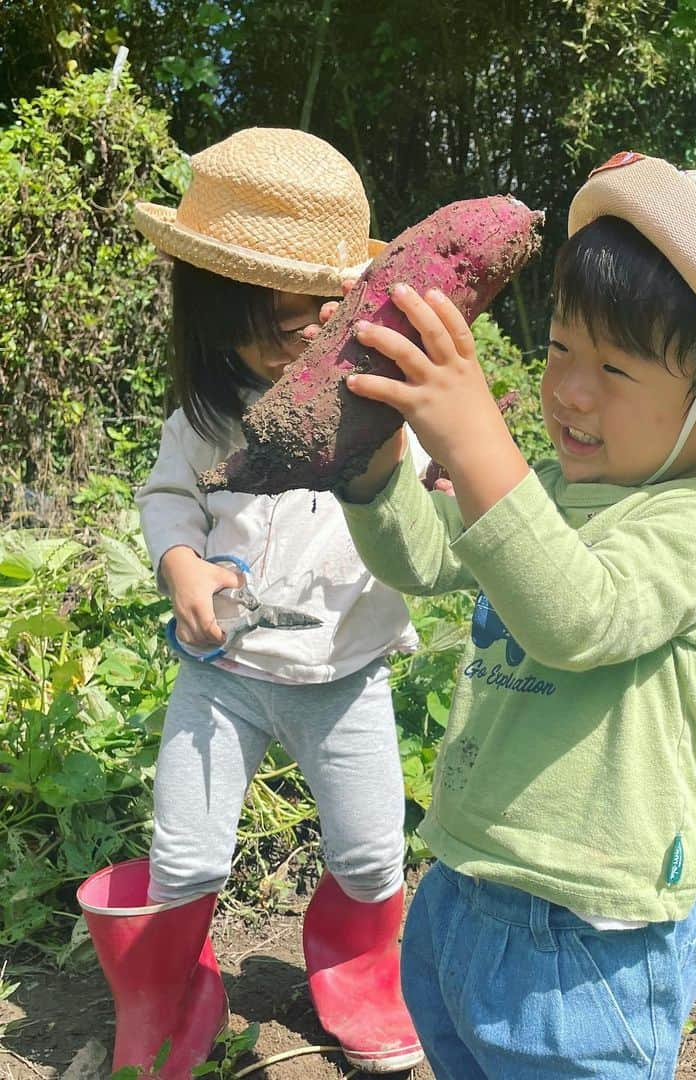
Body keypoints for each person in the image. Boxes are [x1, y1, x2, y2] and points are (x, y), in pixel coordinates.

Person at [329, 151, 696, 1077]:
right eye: (562, 346)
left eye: (614, 366)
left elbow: (578, 616)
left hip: (588, 938)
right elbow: (420, 550)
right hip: (462, 890)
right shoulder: (555, 497)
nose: (570, 388)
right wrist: (370, 457)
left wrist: (479, 437)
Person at [75, 128, 425, 1078]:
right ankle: (171, 1000)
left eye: (321, 311)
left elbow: (437, 499)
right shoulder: (202, 419)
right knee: (184, 856)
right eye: (268, 319)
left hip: (345, 676)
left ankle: (359, 974)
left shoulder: (388, 407)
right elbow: (165, 500)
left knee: (371, 854)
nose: (299, 336)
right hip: (222, 676)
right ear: (211, 309)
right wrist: (181, 564)